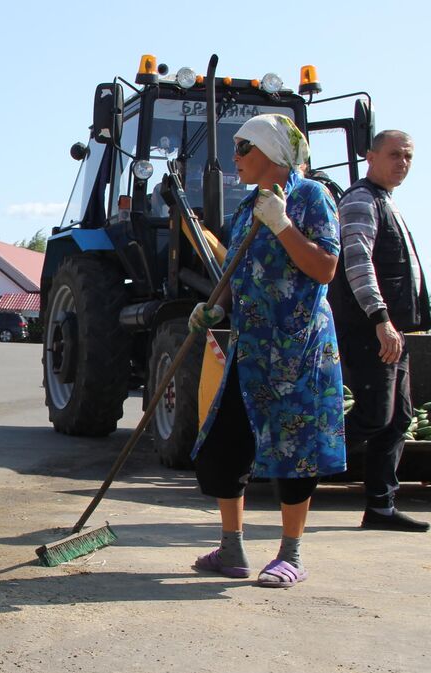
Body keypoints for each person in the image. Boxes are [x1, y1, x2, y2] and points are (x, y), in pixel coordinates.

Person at [188, 114, 345, 588]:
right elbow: (241, 274)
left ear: (272, 153)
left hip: (298, 351)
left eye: (242, 147)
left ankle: (290, 554)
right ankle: (231, 548)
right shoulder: (244, 209)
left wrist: (280, 225)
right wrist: (213, 308)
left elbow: (324, 267)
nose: (233, 157)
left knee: (294, 451)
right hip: (251, 348)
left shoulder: (310, 197)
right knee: (220, 448)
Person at [327, 130, 431, 532]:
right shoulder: (360, 200)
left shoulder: (387, 202)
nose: (402, 162)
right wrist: (380, 318)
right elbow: (357, 262)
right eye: (394, 155)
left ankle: (381, 508)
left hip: (393, 331)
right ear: (369, 156)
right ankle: (296, 468)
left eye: (407, 156)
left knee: (397, 418)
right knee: (373, 416)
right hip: (370, 329)